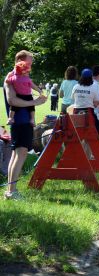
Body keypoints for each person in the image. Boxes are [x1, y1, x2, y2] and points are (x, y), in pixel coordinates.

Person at [3, 50, 47, 200]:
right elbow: (12, 101)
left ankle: (10, 191)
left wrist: (37, 96)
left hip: (23, 122)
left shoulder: (23, 76)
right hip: (19, 122)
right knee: (20, 153)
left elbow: (30, 87)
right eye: (29, 61)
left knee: (17, 154)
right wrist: (34, 102)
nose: (31, 65)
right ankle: (11, 191)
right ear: (20, 60)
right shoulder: (11, 77)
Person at [6, 60, 42, 126]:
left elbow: (7, 81)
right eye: (27, 72)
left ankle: (10, 118)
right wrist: (40, 91)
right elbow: (33, 86)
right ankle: (32, 119)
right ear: (23, 72)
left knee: (13, 107)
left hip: (18, 96)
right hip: (28, 96)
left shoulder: (13, 78)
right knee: (31, 108)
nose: (28, 73)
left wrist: (9, 75)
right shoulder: (27, 79)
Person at [71, 68, 99, 137]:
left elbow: (73, 98)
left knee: (78, 132)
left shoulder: (75, 87)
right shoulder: (93, 88)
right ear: (91, 77)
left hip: (76, 112)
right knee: (98, 131)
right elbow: (95, 103)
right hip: (89, 112)